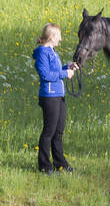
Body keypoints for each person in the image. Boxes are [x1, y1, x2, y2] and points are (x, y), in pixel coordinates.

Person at [33, 24, 77, 174]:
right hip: (49, 96)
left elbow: (55, 71)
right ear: (51, 37)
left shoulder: (52, 51)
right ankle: (44, 165)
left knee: (58, 131)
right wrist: (65, 74)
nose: (61, 39)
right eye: (59, 36)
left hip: (59, 95)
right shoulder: (42, 53)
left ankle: (60, 163)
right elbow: (45, 75)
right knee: (49, 132)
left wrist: (67, 67)